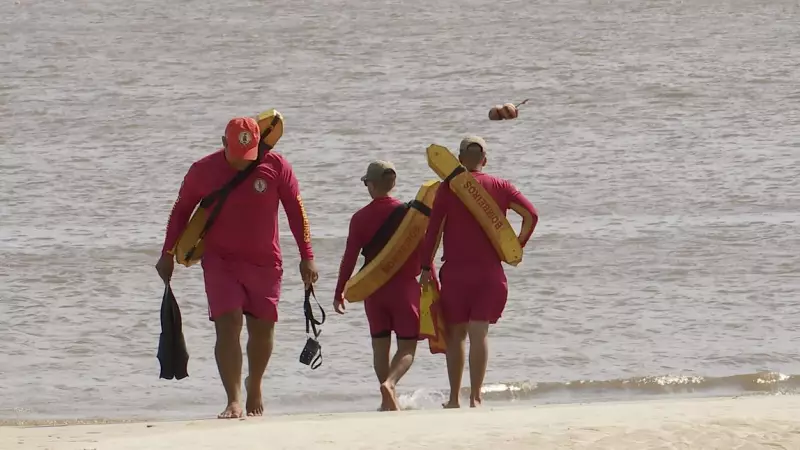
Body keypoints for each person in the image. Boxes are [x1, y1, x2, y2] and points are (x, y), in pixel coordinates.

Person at [155, 116, 318, 419]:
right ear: (223, 144)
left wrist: (307, 255)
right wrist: (167, 253)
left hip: (265, 262)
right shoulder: (202, 170)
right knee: (227, 324)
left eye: (249, 155)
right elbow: (180, 210)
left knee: (262, 329)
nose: (243, 162)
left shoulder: (277, 166)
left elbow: (297, 211)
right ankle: (233, 399)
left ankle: (254, 383)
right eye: (236, 155)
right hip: (221, 262)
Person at [419, 136, 538, 409]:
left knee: (456, 335)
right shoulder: (501, 186)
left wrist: (426, 266)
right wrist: (516, 247)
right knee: (479, 333)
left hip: (457, 274)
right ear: (485, 159)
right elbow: (531, 215)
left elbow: (433, 232)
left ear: (459, 159)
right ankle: (475, 397)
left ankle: (453, 399)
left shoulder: (449, 189)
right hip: (489, 274)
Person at [333, 160, 422, 412]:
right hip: (405, 288)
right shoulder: (410, 214)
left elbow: (349, 258)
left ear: (371, 185)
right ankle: (391, 384)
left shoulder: (359, 218)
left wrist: (340, 290)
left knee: (379, 346)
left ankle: (387, 400)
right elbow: (423, 249)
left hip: (374, 289)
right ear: (393, 184)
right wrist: (430, 276)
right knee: (407, 346)